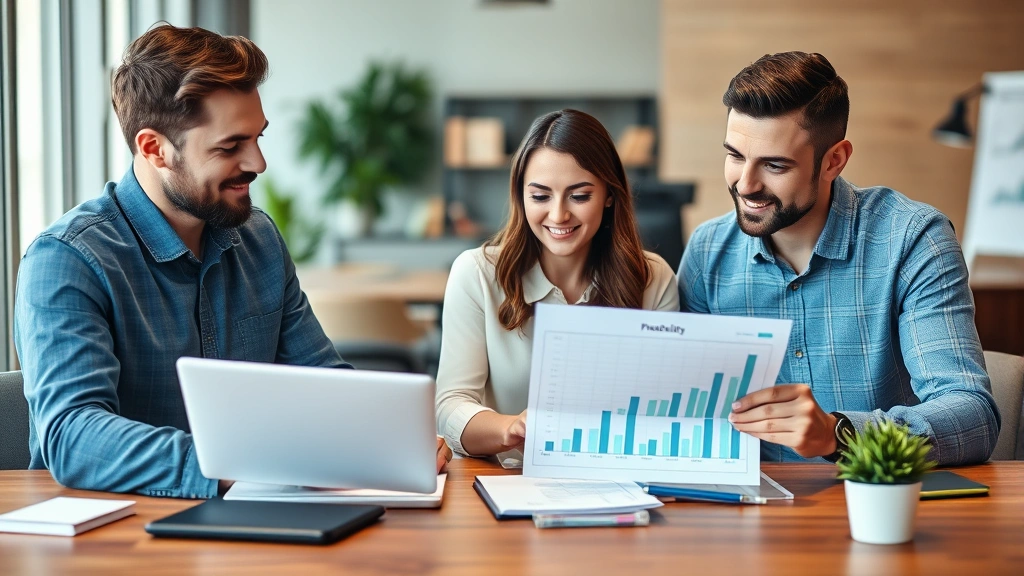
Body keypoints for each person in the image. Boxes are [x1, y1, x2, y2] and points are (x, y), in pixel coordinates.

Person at [14, 24, 450, 499]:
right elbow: (73, 437)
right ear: (154, 147)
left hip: (254, 517)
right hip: (116, 536)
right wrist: (248, 463)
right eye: (230, 146)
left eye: (258, 137)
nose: (258, 162)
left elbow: (321, 380)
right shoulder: (68, 260)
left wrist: (384, 436)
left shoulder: (257, 237)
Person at [678, 51, 999, 465]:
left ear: (834, 160)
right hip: (752, 510)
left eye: (774, 165)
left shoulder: (913, 240)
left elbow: (972, 415)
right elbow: (686, 411)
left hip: (876, 501)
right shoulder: (707, 252)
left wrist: (839, 434)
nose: (746, 184)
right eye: (736, 156)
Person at [436, 109, 680, 457]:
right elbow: (450, 407)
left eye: (579, 196)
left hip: (614, 480)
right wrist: (510, 429)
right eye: (540, 196)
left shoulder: (653, 278)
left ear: (609, 195)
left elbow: (668, 410)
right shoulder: (476, 273)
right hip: (503, 480)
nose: (558, 215)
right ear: (521, 195)